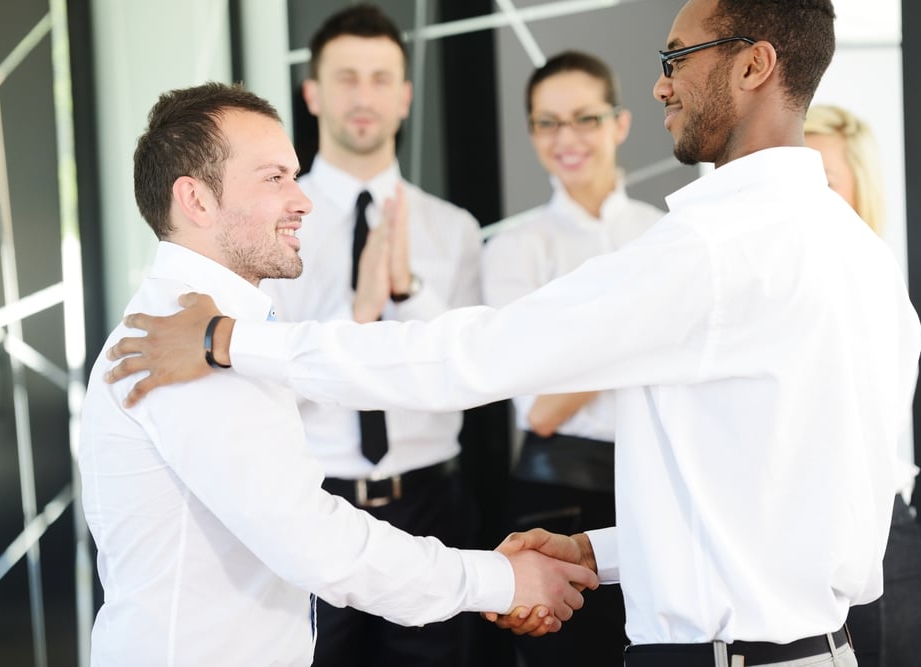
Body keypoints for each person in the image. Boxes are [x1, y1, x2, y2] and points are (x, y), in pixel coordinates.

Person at [104, 1, 921, 665]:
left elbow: (469, 357)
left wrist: (228, 342)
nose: (662, 84)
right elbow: (779, 501)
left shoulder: (711, 250)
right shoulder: (865, 257)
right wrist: (594, 555)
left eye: (677, 59)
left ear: (753, 65)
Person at [78, 81, 597, 667]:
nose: (302, 201)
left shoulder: (220, 334)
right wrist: (500, 580)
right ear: (195, 200)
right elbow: (311, 541)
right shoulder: (174, 342)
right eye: (274, 178)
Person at [262, 6, 485, 665]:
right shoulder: (271, 227)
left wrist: (409, 291)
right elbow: (263, 379)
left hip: (432, 504)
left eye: (382, 78)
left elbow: (467, 379)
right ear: (312, 93)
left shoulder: (454, 229)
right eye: (347, 78)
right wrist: (353, 316)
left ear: (406, 94)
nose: (364, 96)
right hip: (310, 500)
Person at [480, 50, 663, 666]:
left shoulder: (666, 235)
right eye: (547, 122)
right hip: (557, 487)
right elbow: (542, 408)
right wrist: (642, 331)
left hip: (661, 478)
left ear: (620, 123)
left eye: (584, 118)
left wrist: (584, 349)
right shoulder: (514, 249)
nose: (567, 139)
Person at [805, 103, 921, 667]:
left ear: (863, 192)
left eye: (825, 182)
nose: (804, 199)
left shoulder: (863, 289)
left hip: (879, 560)